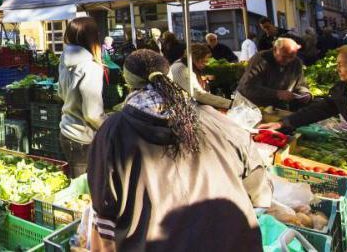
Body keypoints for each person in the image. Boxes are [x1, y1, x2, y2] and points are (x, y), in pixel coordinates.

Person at [88, 49, 272, 252]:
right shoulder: (215, 120)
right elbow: (259, 190)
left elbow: (104, 209)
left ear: (128, 82)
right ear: (169, 76)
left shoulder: (112, 132)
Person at [260, 44, 347, 133]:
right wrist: (282, 123)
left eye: (341, 65)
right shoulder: (342, 90)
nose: (337, 69)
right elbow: (320, 109)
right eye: (337, 65)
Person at [58, 16, 107, 177]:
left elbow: (60, 93)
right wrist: (110, 126)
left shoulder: (64, 59)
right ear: (93, 37)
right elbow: (92, 114)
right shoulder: (91, 67)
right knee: (86, 192)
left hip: (66, 131)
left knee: (77, 187)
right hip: (83, 138)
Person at [236, 37, 311, 109]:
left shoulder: (296, 63)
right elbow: (248, 88)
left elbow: (300, 84)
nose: (288, 60)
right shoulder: (260, 59)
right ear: (275, 50)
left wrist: (305, 93)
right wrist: (277, 94)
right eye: (284, 56)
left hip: (277, 109)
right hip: (251, 107)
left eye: (291, 56)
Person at [169, 43, 232, 109]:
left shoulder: (186, 65)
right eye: (204, 61)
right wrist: (229, 103)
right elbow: (199, 95)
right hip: (183, 109)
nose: (206, 64)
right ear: (195, 59)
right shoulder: (181, 69)